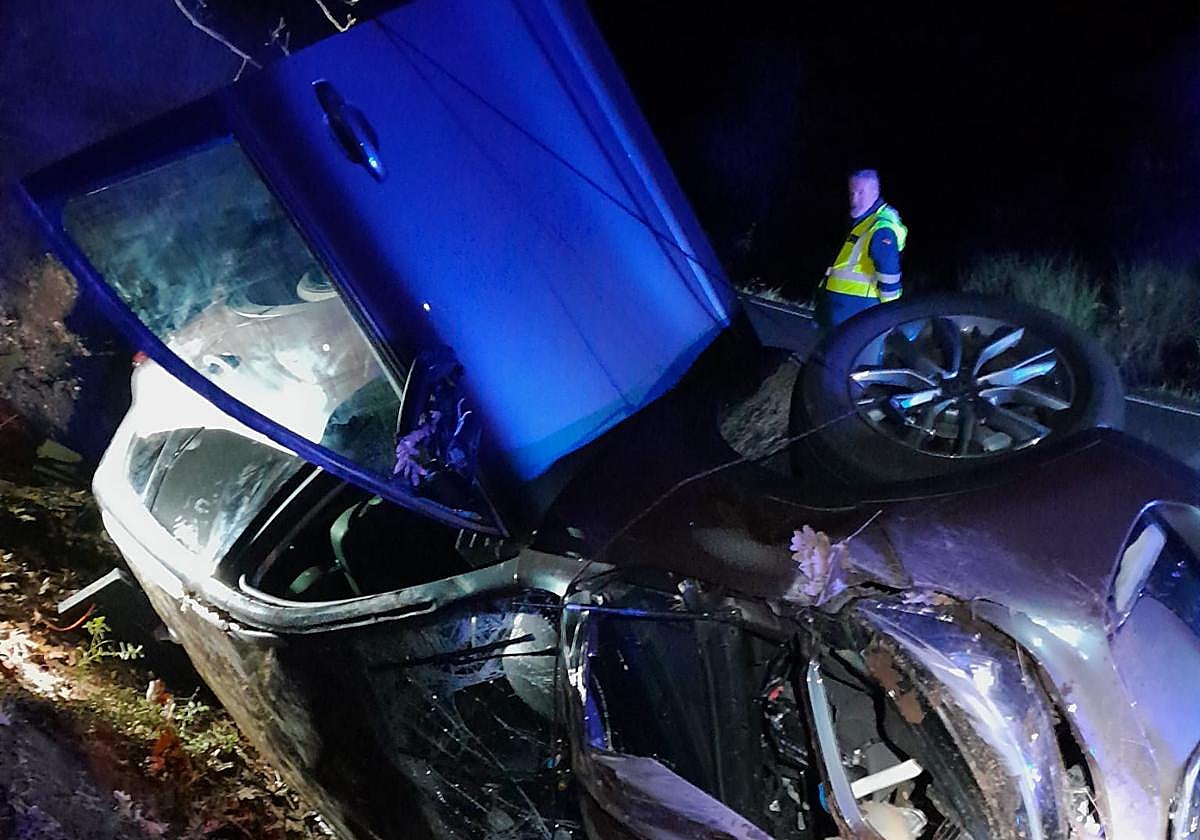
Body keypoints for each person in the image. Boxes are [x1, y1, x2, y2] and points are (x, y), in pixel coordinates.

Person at [815, 169, 908, 327]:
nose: (854, 199)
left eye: (860, 192)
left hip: (858, 312)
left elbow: (888, 274)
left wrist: (890, 312)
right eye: (851, 193)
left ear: (874, 192)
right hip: (842, 311)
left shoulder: (881, 228)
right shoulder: (863, 222)